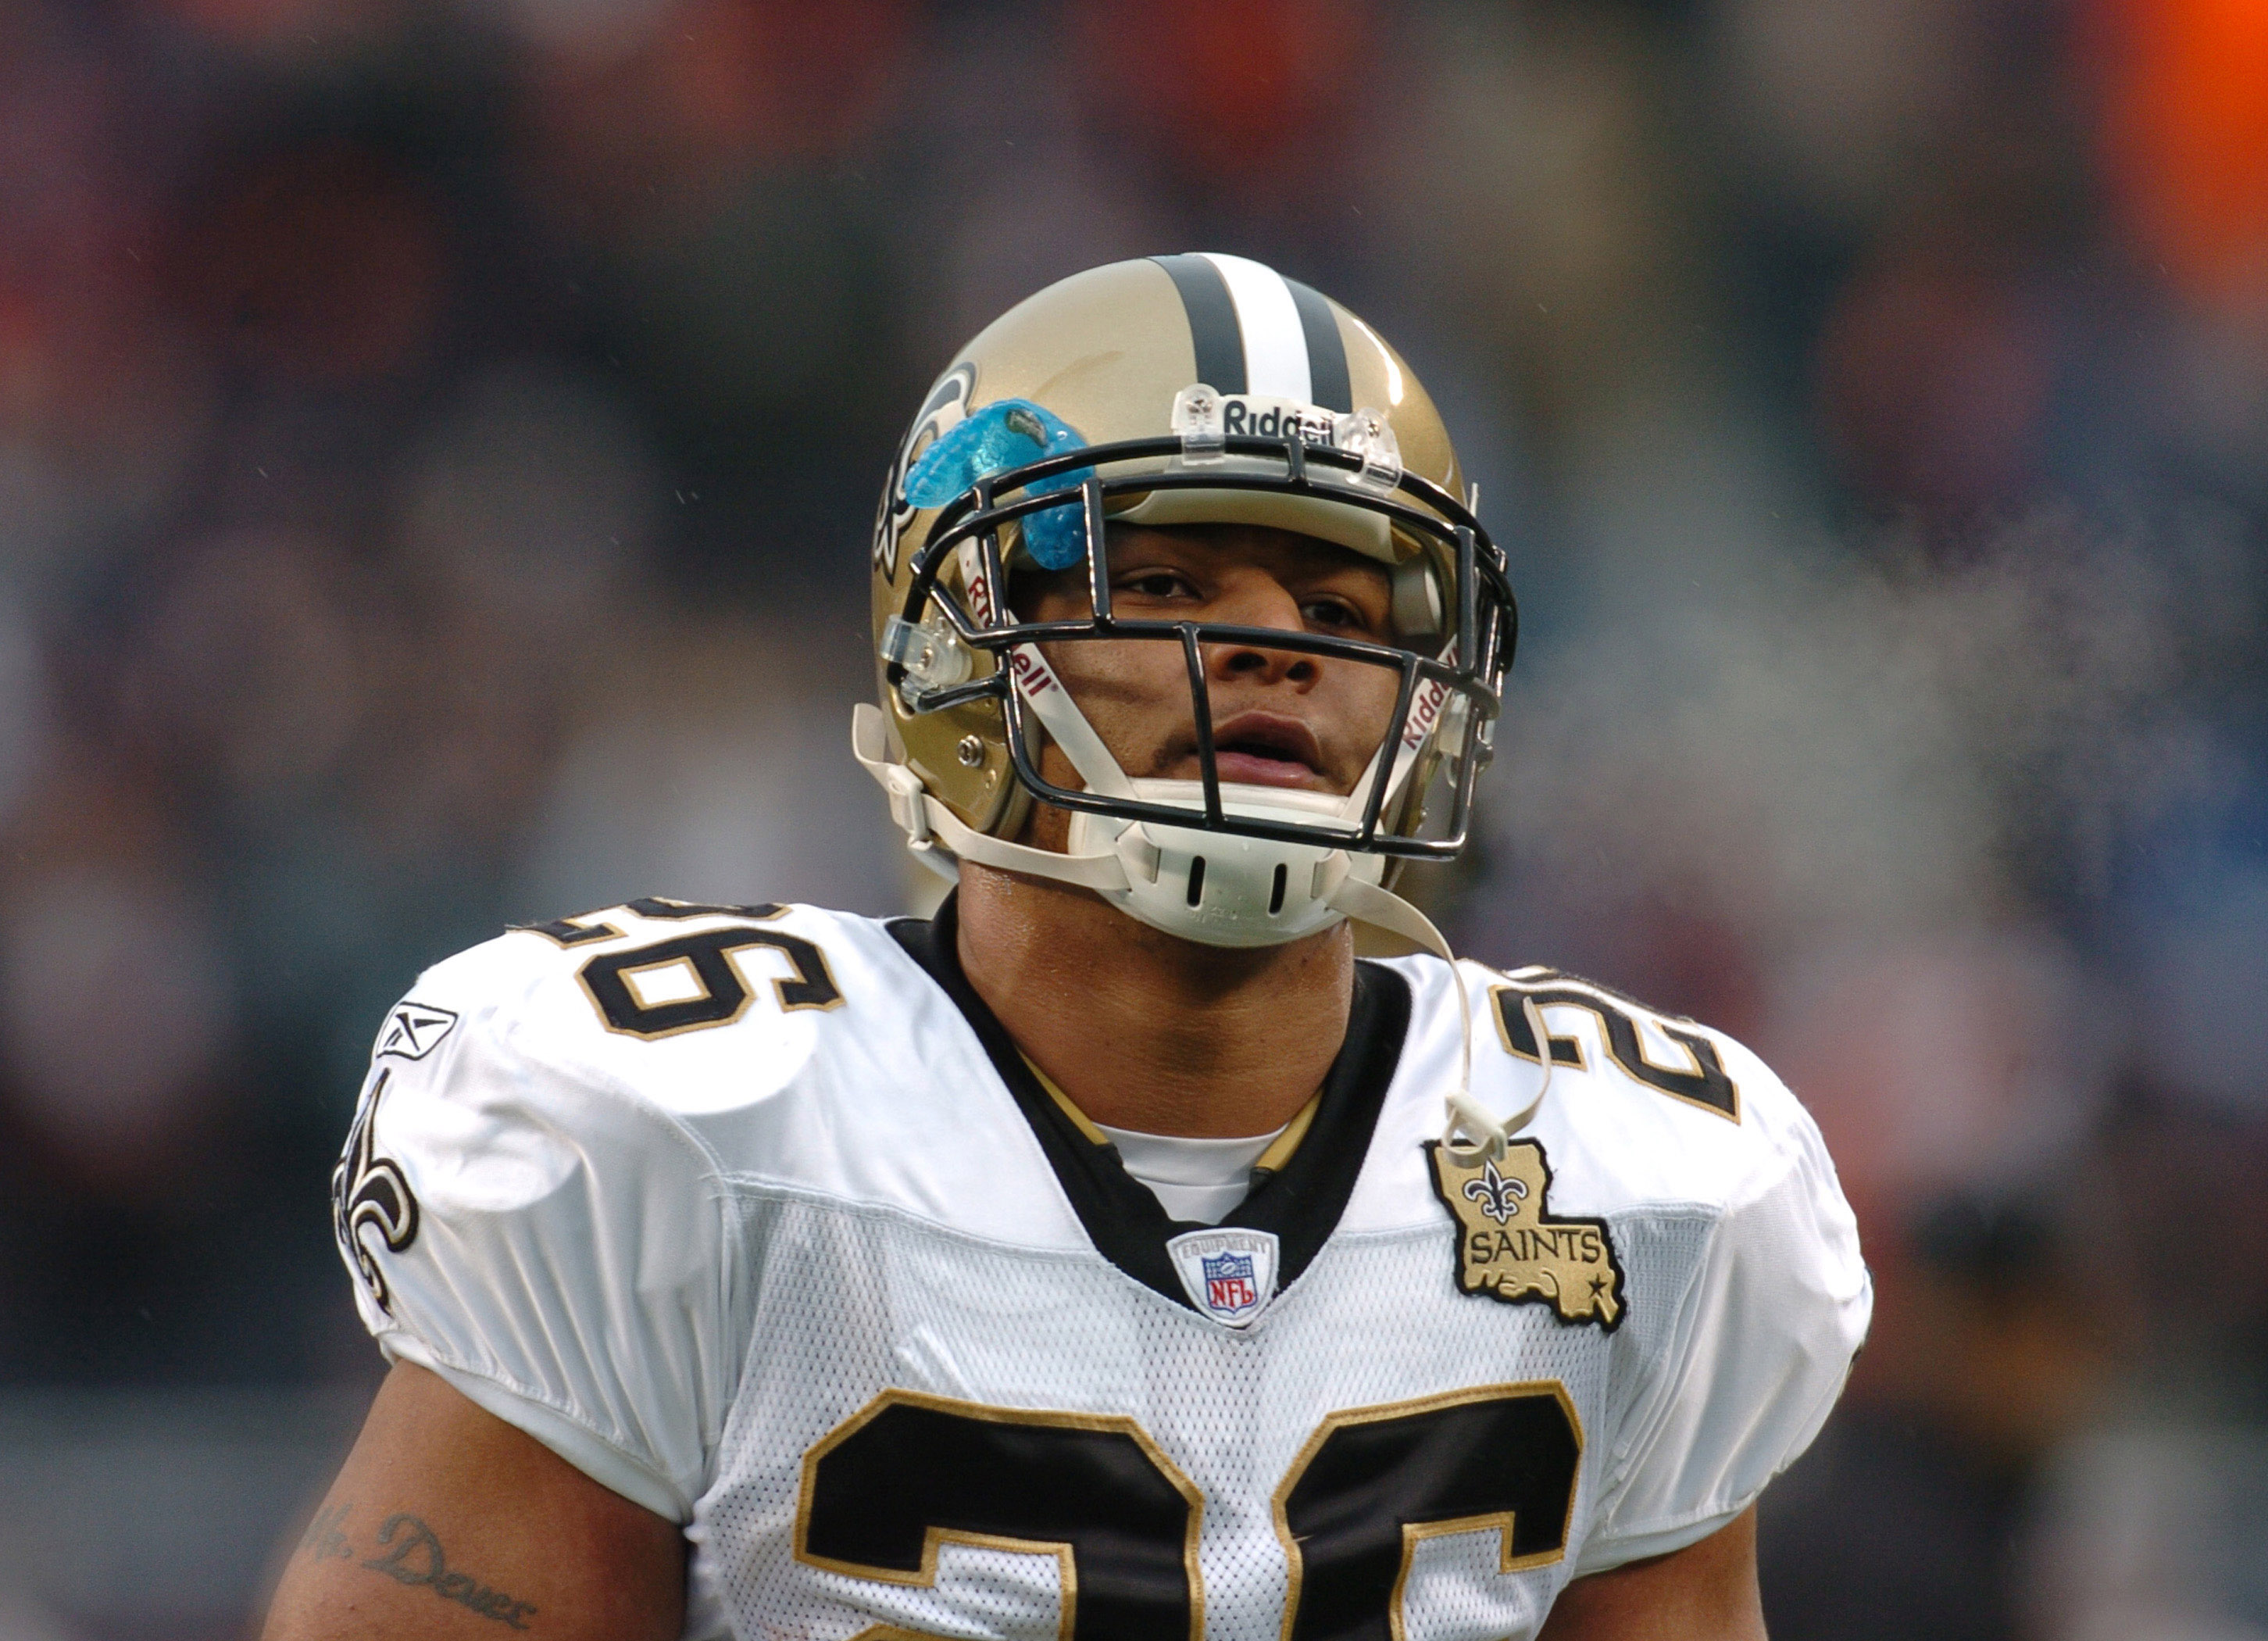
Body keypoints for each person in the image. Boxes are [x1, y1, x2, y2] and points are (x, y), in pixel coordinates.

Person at [263, 255, 1870, 1641]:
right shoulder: (678, 1128)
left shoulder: (1645, 1181)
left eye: (1346, 604)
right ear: (962, 638)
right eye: (1164, 576)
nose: (1273, 647)